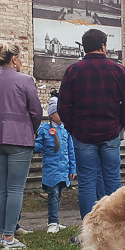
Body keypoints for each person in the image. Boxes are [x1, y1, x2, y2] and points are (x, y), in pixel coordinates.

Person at [58, 29, 125, 221]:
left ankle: (89, 227)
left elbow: (63, 105)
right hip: (110, 133)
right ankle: (115, 224)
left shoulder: (73, 71)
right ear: (103, 46)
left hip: (83, 135)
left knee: (86, 183)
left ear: (84, 47)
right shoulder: (118, 70)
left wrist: (72, 128)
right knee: (112, 181)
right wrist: (118, 124)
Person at [0, 41, 43, 250]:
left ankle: (0, 235)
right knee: (15, 189)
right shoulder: (25, 80)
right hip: (19, 138)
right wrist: (31, 129)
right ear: (14, 59)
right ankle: (9, 236)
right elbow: (36, 111)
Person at [36, 97, 77, 234]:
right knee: (52, 194)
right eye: (59, 112)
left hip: (63, 169)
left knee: (58, 194)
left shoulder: (66, 131)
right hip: (51, 169)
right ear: (51, 114)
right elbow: (39, 145)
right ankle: (52, 221)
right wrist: (31, 143)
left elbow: (71, 151)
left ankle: (57, 221)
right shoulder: (44, 128)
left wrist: (72, 168)